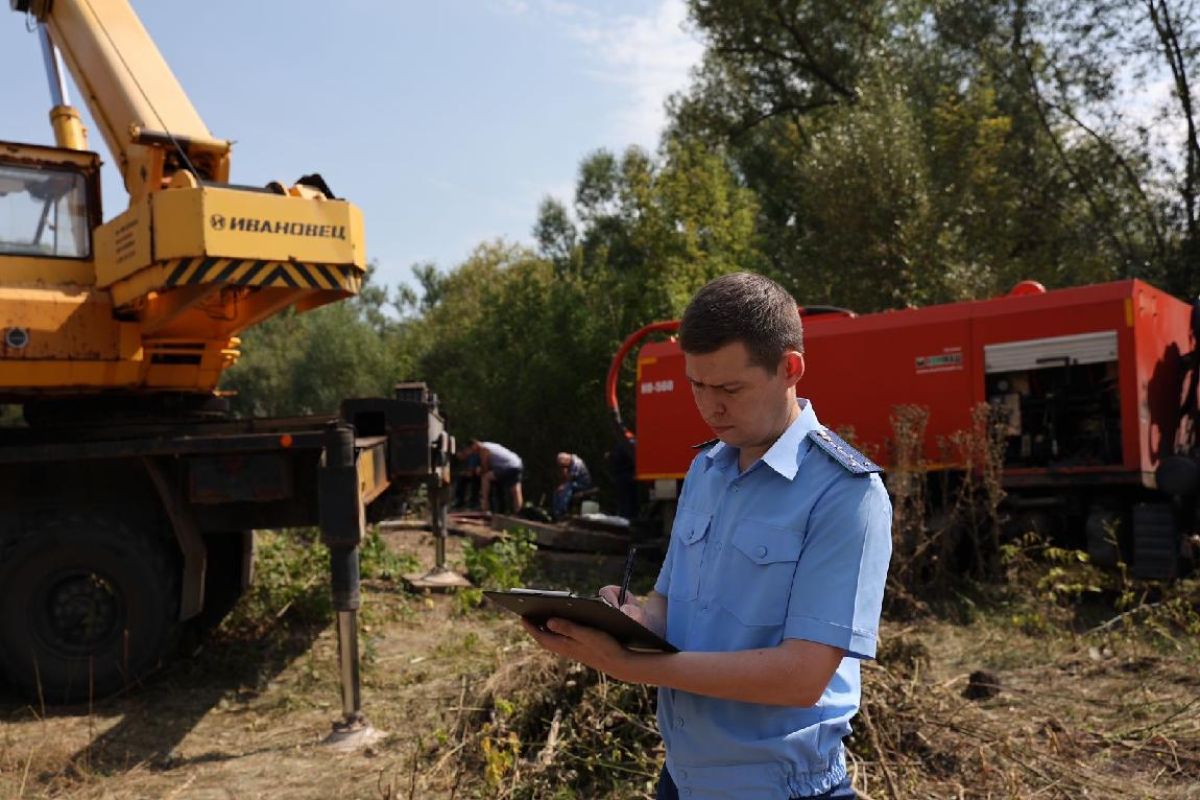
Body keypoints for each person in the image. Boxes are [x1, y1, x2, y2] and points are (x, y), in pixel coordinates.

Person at [521, 272, 893, 800]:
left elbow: (802, 677)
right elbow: (668, 606)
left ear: (790, 369)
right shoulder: (707, 470)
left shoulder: (844, 493)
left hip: (781, 789)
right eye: (696, 385)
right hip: (682, 778)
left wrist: (637, 666)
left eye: (730, 389)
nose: (709, 407)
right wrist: (631, 621)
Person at [466, 439, 524, 514]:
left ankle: (485, 506)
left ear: (475, 444)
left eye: (471, 449)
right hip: (517, 463)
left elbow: (485, 468)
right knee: (515, 490)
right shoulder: (490, 444)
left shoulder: (484, 449)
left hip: (506, 467)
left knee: (485, 478)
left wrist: (479, 470)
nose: (472, 451)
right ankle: (519, 511)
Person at [552, 451, 593, 519]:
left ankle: (562, 511)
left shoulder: (577, 463)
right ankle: (556, 512)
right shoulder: (570, 462)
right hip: (573, 483)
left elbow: (571, 478)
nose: (564, 467)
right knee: (558, 490)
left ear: (566, 460)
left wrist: (563, 485)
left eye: (563, 465)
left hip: (583, 484)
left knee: (567, 488)